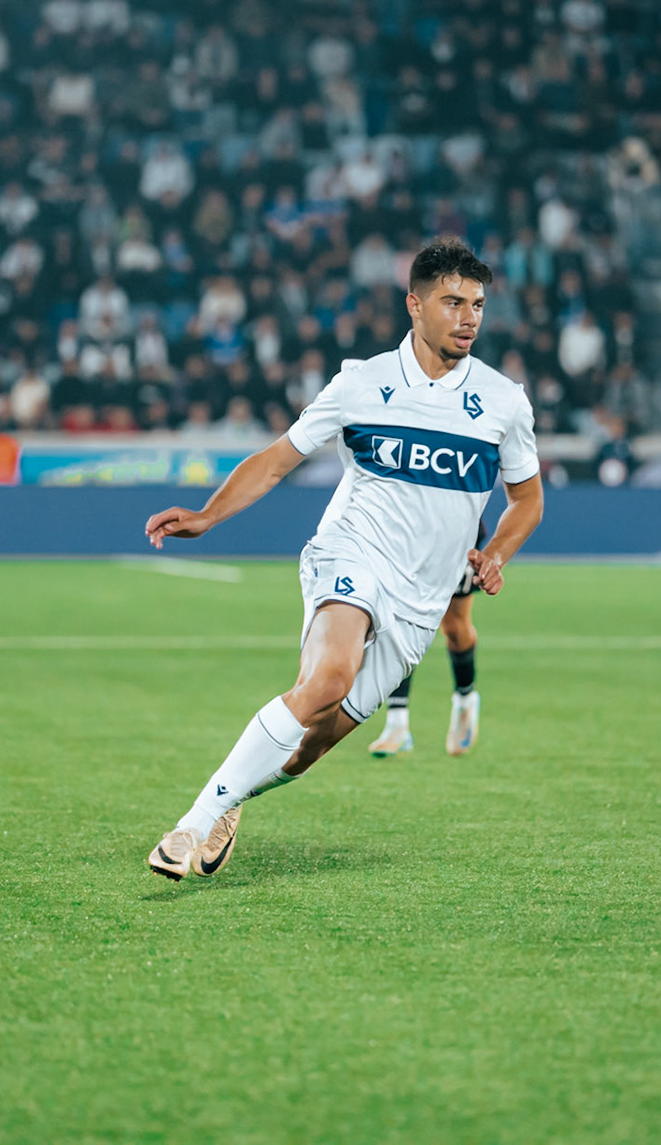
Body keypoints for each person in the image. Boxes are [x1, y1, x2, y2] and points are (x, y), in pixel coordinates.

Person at [140, 239, 543, 879]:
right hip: (351, 552)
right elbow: (278, 458)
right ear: (415, 305)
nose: (468, 317)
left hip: (421, 600)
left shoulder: (502, 401)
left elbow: (527, 500)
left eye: (477, 305)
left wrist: (496, 553)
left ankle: (233, 800)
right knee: (326, 679)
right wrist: (209, 514)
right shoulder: (361, 382)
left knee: (306, 750)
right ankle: (189, 826)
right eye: (452, 302)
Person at [367, 517, 486, 758]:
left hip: (456, 537)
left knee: (454, 627)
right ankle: (397, 725)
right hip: (408, 537)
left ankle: (465, 698)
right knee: (398, 622)